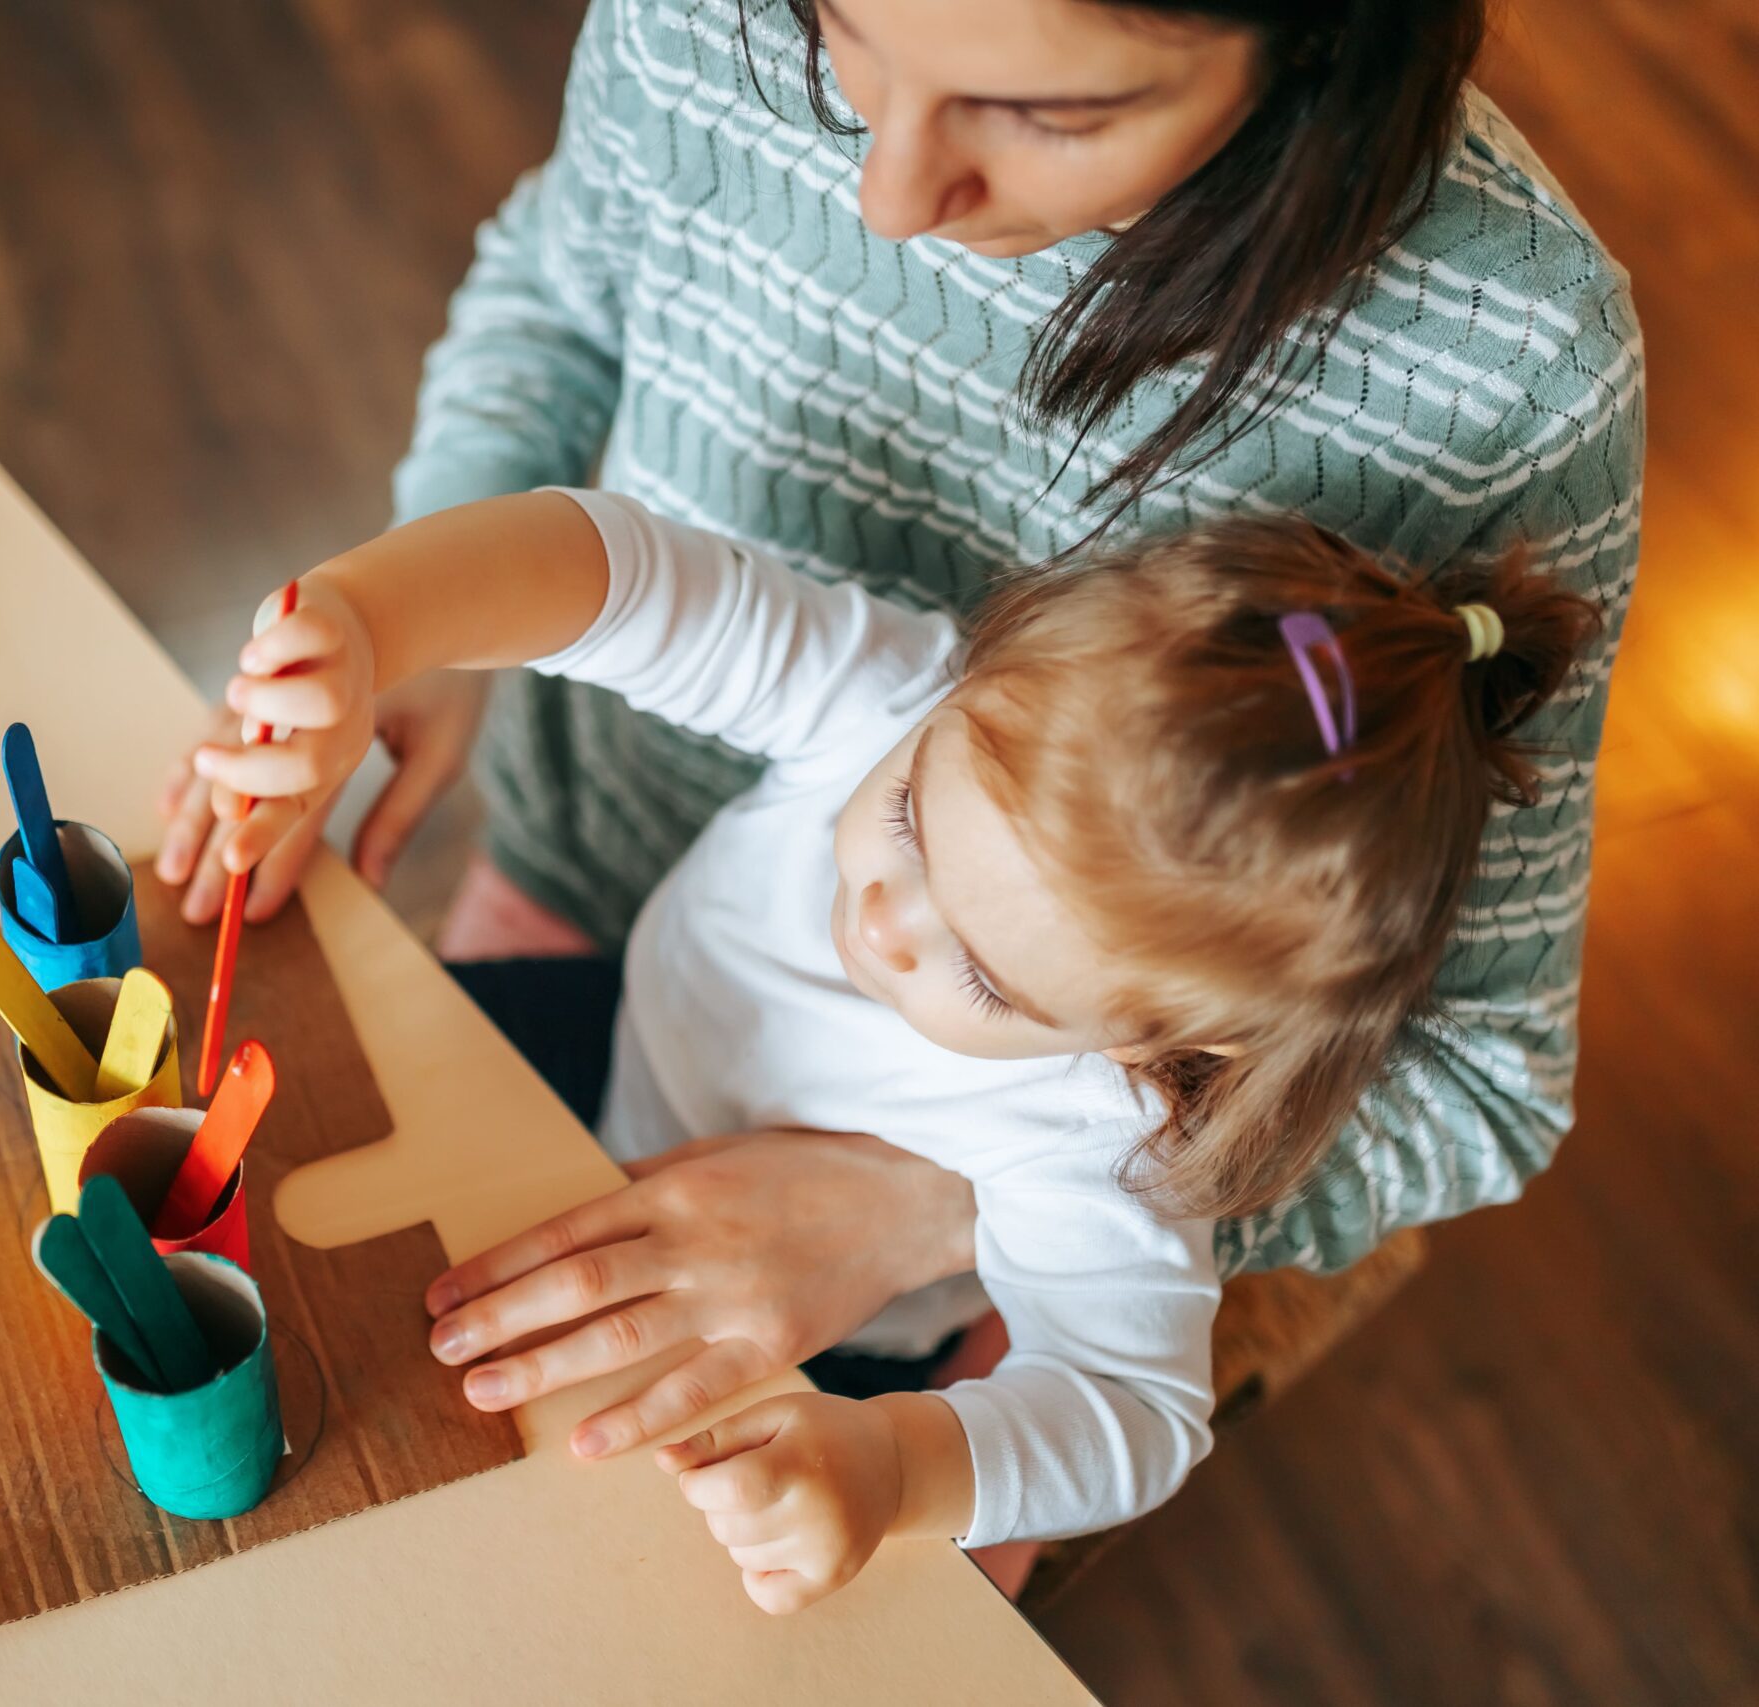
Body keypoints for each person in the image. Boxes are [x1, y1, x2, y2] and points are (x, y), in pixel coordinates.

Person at [156, 0, 1643, 1466]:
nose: (888, 196)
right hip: (585, 898)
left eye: (1051, 113)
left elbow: (1469, 1098)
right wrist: (398, 615)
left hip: (881, 1302)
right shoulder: (888, 704)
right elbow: (593, 417)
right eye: (836, 27)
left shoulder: (1515, 361)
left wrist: (926, 1224)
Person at [185, 486, 1595, 1610]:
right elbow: (612, 569)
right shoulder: (893, 696)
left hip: (793, 1350)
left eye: (982, 973)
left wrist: (899, 1465)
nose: (882, 915)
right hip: (598, 1052)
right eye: (914, 817)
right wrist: (375, 620)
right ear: (981, 677)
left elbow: (1138, 1414)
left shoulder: (1102, 1139)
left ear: (1164, 1042)